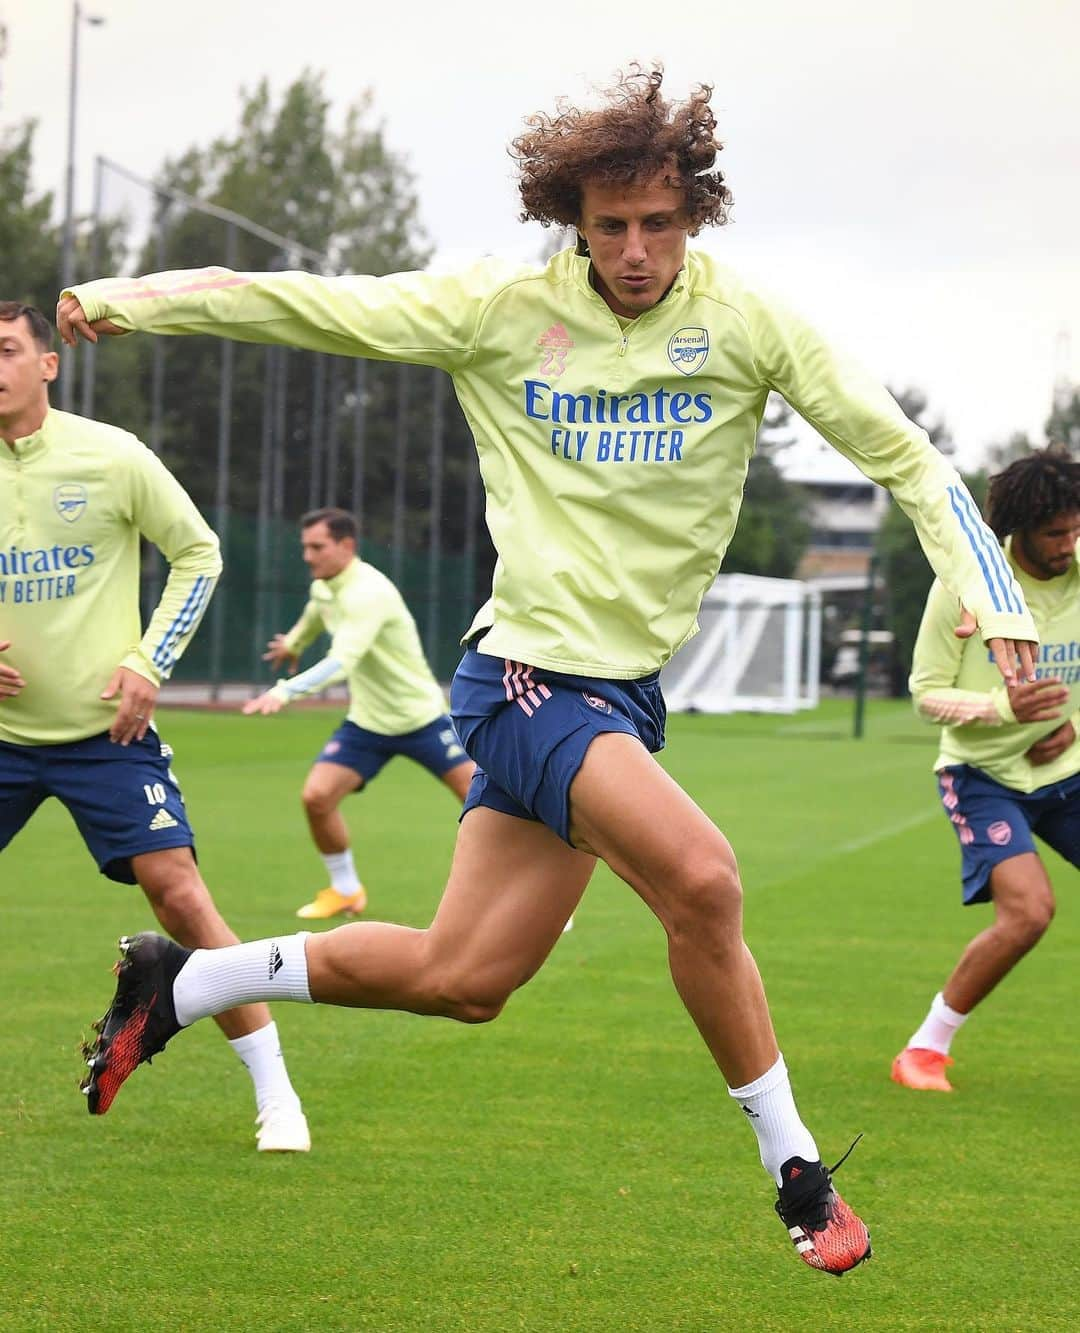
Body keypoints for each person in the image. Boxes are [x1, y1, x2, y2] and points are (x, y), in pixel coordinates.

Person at [58, 66, 1039, 1275]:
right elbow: (312, 303)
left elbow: (908, 457)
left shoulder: (750, 325)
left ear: (696, 215)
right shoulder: (500, 308)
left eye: (659, 224)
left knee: (463, 977)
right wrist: (134, 297)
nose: (634, 250)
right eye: (610, 227)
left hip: (622, 693)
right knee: (705, 881)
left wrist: (995, 597)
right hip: (525, 678)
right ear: (573, 221)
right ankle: (795, 1172)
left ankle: (189, 981)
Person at [0, 301, 310, 1152]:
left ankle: (276, 1093)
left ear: (47, 363)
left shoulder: (111, 455)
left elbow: (198, 552)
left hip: (107, 736)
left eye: (6, 349)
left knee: (179, 894)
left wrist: (149, 662)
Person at [892, 446, 1079, 1092]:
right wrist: (1004, 708)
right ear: (1022, 527)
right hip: (981, 776)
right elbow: (924, 692)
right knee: (1028, 912)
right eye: (1058, 533)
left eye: (1078, 528)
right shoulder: (964, 589)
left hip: (1069, 772)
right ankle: (924, 1050)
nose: (1070, 543)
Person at [243, 505, 475, 919]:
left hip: (421, 717)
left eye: (317, 547)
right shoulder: (325, 586)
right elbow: (316, 615)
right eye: (305, 547)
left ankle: (537, 899)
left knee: (484, 804)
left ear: (346, 546)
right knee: (316, 797)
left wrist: (286, 691)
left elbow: (342, 661)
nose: (307, 556)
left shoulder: (369, 593)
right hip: (368, 722)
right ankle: (346, 890)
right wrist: (293, 643)